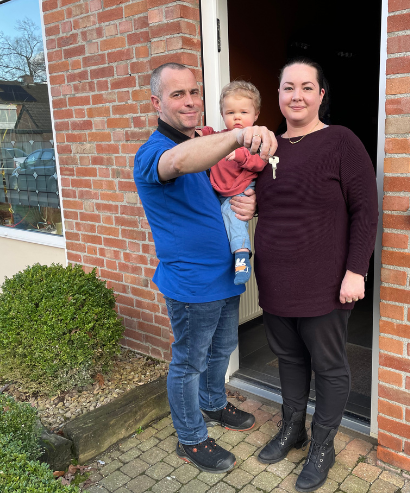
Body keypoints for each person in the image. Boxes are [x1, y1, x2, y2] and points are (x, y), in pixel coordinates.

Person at [133, 62, 278, 474]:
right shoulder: (154, 153)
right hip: (192, 283)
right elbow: (179, 162)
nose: (189, 101)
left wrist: (251, 205)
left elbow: (229, 193)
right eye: (177, 94)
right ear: (157, 102)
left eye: (194, 92)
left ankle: (213, 404)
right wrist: (238, 134)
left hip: (225, 276)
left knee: (223, 348)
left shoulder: (209, 145)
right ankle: (191, 438)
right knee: (189, 362)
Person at [254, 59, 378, 492]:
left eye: (307, 87)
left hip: (325, 283)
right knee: (289, 359)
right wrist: (245, 203)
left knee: (328, 366)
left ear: (321, 95)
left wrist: (356, 270)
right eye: (289, 87)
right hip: (275, 278)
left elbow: (366, 211)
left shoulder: (341, 141)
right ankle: (293, 429)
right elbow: (263, 199)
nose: (297, 96)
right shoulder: (267, 148)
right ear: (279, 95)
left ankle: (322, 446)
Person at [202, 81, 268, 285]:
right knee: (221, 221)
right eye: (230, 112)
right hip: (220, 190)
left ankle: (242, 256)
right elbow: (202, 137)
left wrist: (241, 155)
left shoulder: (255, 139)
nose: (237, 117)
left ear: (256, 114)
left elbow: (259, 162)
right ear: (222, 114)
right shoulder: (219, 138)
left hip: (241, 188)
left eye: (243, 112)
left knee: (234, 217)